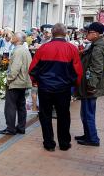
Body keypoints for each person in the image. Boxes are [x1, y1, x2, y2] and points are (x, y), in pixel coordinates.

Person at [29, 23, 83, 152]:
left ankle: (49, 143)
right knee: (63, 115)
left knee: (45, 115)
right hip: (63, 88)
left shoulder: (43, 48)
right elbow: (77, 71)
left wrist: (36, 82)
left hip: (45, 87)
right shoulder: (71, 49)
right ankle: (64, 143)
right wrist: (74, 85)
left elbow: (33, 69)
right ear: (65, 33)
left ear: (52, 33)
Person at [75, 22, 104, 147]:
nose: (86, 34)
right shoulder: (96, 45)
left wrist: (91, 86)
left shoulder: (98, 47)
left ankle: (93, 138)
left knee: (88, 113)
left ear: (95, 34)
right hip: (90, 85)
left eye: (88, 32)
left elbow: (96, 68)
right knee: (86, 112)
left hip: (91, 87)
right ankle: (88, 134)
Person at [0, 32, 32, 135]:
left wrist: (8, 79)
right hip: (23, 81)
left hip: (16, 82)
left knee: (10, 106)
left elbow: (15, 69)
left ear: (17, 39)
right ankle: (21, 127)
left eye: (13, 36)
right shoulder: (25, 50)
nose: (11, 38)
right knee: (21, 106)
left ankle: (10, 128)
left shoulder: (18, 51)